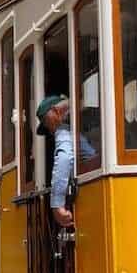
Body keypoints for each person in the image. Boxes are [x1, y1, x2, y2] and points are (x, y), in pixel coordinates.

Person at [35, 95, 96, 227]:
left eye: (46, 123)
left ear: (55, 112)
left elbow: (64, 158)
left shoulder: (63, 130)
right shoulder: (87, 121)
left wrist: (57, 205)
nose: (49, 130)